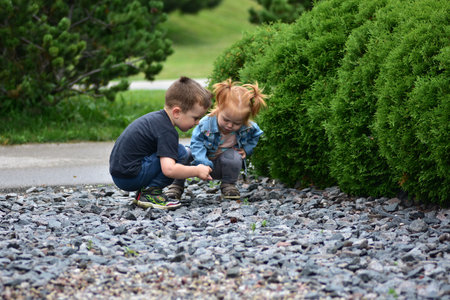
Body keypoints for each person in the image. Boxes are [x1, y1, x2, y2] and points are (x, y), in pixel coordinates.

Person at [109, 76, 213, 210]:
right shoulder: (167, 131)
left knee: (176, 152)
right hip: (129, 178)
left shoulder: (157, 120)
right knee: (181, 152)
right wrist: (197, 170)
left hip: (120, 175)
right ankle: (150, 193)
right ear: (176, 112)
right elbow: (169, 170)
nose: (198, 122)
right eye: (195, 117)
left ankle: (146, 191)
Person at [165, 78, 267, 200]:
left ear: (244, 120)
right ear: (219, 108)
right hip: (199, 160)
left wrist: (246, 149)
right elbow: (197, 144)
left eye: (237, 123)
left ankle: (228, 184)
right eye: (226, 119)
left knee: (235, 157)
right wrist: (203, 163)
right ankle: (176, 185)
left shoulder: (248, 127)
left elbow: (256, 135)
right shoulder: (205, 124)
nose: (230, 125)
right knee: (184, 154)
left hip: (222, 164)